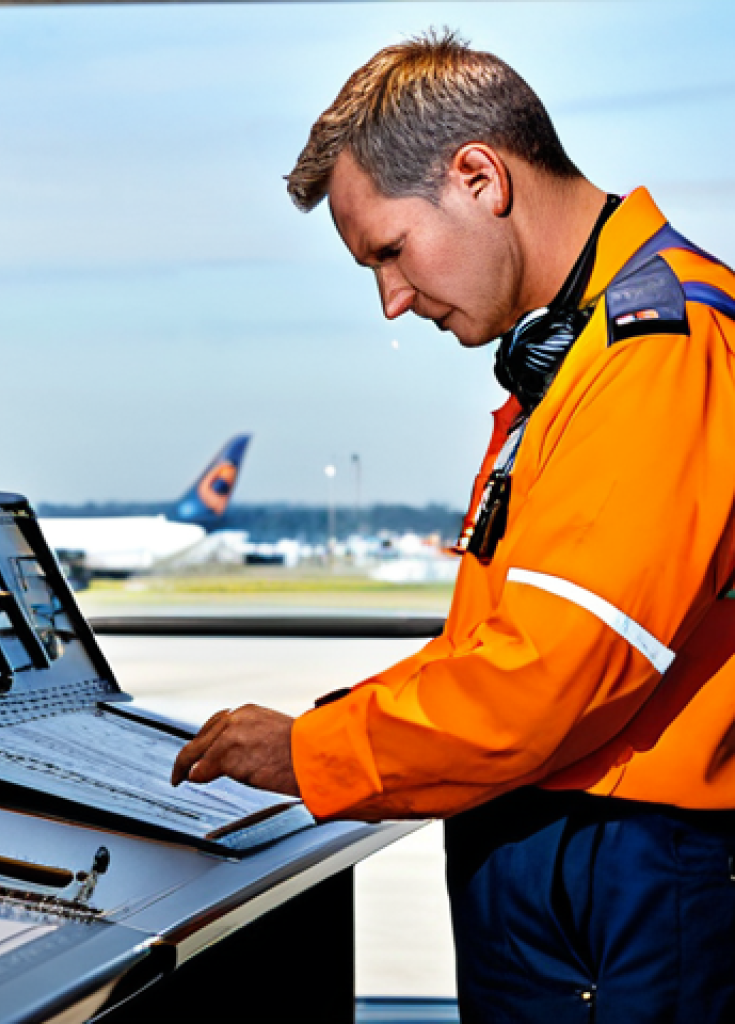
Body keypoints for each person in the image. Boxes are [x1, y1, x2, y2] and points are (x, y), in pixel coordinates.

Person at [172, 29, 735, 1023]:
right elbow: (489, 643)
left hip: (628, 880)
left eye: (390, 251)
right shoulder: (574, 358)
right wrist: (326, 724)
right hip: (578, 864)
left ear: (479, 175)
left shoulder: (654, 353)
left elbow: (548, 676)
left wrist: (314, 755)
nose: (391, 298)